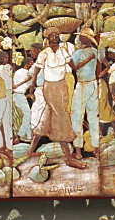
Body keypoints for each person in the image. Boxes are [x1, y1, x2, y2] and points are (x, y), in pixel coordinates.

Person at [30, 27, 85, 168]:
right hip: (50, 87)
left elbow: (74, 66)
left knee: (47, 117)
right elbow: (36, 71)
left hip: (62, 86)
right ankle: (69, 158)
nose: (55, 36)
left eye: (56, 34)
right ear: (47, 38)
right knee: (60, 116)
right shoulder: (44, 53)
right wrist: (32, 85)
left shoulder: (63, 51)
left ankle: (30, 150)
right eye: (51, 35)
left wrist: (88, 59)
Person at [69, 29, 100, 154]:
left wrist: (97, 79)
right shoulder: (77, 53)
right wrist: (89, 59)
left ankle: (96, 148)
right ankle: (78, 150)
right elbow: (73, 66)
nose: (82, 39)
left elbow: (101, 67)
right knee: (77, 117)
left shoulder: (95, 51)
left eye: (84, 37)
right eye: (81, 37)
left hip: (92, 84)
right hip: (81, 85)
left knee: (93, 116)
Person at [12, 56, 36, 141]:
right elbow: (27, 82)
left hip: (17, 95)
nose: (33, 64)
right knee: (28, 116)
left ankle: (29, 136)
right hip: (18, 95)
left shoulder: (18, 71)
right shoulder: (28, 73)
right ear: (28, 63)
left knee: (27, 115)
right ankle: (19, 136)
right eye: (31, 62)